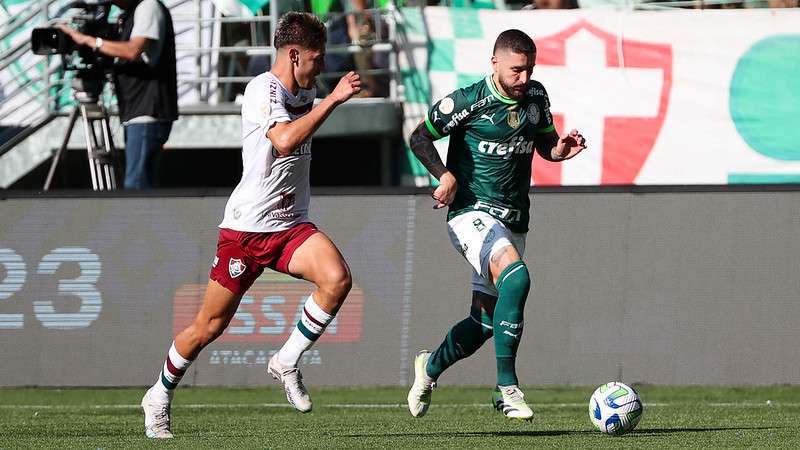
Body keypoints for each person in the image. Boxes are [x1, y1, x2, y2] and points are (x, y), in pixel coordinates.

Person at [138, 12, 361, 438]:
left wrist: (323, 97)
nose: (321, 65)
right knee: (209, 326)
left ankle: (286, 360)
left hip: (290, 225)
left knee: (336, 279)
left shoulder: (305, 88)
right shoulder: (262, 88)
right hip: (247, 230)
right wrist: (334, 99)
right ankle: (159, 395)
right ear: (294, 55)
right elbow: (282, 140)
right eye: (316, 57)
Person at [406, 29, 586, 421]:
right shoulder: (468, 101)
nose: (523, 79)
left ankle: (429, 368)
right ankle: (507, 388)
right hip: (471, 213)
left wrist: (561, 150)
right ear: (495, 63)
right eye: (516, 71)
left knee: (484, 322)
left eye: (529, 70)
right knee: (517, 279)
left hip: (514, 218)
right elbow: (418, 137)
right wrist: (444, 175)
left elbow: (545, 144)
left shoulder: (536, 96)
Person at [58, 0, 178, 189]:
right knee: (140, 185)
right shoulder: (131, 13)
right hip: (138, 111)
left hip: (147, 111)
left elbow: (133, 50)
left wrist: (89, 41)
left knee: (136, 187)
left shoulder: (148, 6)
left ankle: (135, 220)